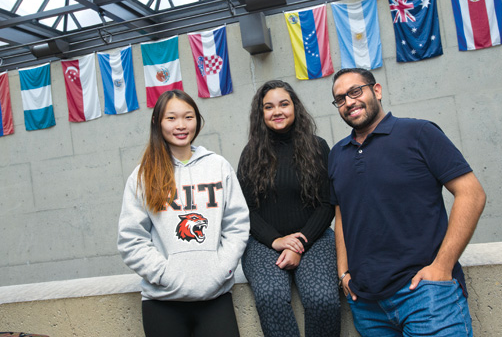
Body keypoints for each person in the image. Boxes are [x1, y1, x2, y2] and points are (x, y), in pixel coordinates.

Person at [329, 68, 486, 336]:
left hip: (426, 296)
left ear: (376, 91)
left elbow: (471, 193)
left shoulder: (419, 132)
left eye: (356, 91)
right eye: (340, 99)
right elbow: (342, 212)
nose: (349, 102)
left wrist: (442, 267)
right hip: (367, 306)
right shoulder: (336, 154)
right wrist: (343, 271)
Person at [117, 89, 249, 337]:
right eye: (171, 118)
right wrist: (164, 274)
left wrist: (222, 269)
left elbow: (237, 225)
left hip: (215, 298)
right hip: (162, 302)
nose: (181, 125)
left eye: (188, 117)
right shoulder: (143, 175)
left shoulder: (217, 166)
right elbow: (131, 239)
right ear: (157, 122)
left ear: (197, 120)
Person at [237, 80, 341, 337]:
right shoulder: (251, 153)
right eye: (269, 107)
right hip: (263, 242)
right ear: (261, 114)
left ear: (295, 107)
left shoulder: (318, 147)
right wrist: (276, 241)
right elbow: (245, 209)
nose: (277, 111)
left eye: (284, 104)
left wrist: (300, 242)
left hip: (314, 238)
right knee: (271, 297)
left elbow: (328, 202)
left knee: (322, 300)